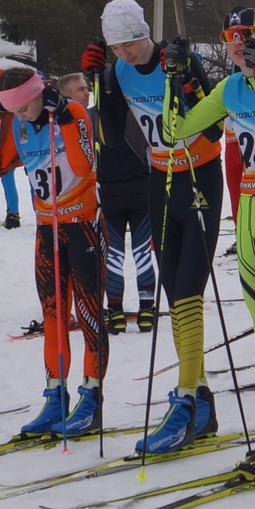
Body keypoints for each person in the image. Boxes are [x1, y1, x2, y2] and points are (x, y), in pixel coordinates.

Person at [161, 10, 255, 468]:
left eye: (245, 37)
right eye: (229, 37)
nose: (235, 45)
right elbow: (176, 131)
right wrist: (179, 77)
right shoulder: (229, 89)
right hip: (249, 211)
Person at [91, 0, 228, 456]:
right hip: (160, 178)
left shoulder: (179, 59)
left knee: (189, 287)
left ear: (145, 33)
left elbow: (213, 129)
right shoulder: (117, 72)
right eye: (116, 48)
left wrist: (185, 80)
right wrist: (98, 84)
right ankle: (201, 398)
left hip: (201, 174)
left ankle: (185, 401)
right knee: (172, 287)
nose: (125, 54)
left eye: (130, 44)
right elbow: (110, 136)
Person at [0, 67, 109, 439]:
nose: (23, 115)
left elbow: (82, 165)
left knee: (89, 315)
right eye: (16, 110)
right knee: (53, 317)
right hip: (48, 228)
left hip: (83, 224)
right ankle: (55, 396)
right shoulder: (19, 124)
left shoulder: (73, 112)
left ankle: (91, 399)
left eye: (26, 107)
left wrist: (63, 120)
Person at [83, 31, 159, 335]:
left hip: (128, 192)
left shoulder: (92, 115)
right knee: (131, 253)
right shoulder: (112, 112)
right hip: (125, 192)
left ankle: (125, 309)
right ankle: (137, 308)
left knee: (122, 254)